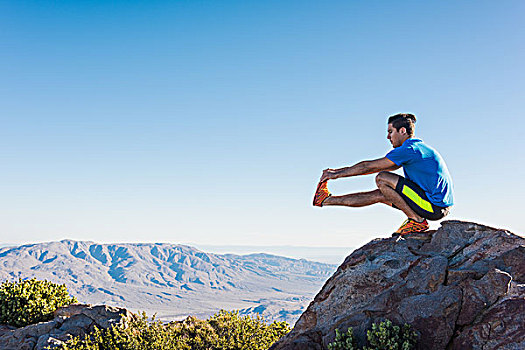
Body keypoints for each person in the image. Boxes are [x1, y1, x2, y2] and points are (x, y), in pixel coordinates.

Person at [313, 113, 454, 235]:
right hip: (430, 204)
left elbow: (368, 167)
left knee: (383, 178)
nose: (387, 137)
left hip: (433, 207)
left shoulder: (410, 149)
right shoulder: (415, 149)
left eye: (390, 132)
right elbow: (369, 168)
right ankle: (325, 200)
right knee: (380, 194)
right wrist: (336, 172)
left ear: (402, 130)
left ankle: (417, 221)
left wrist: (334, 174)